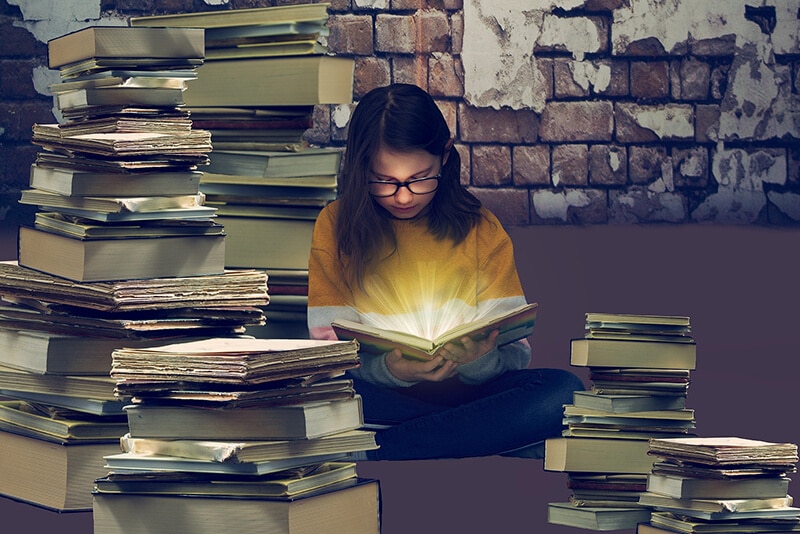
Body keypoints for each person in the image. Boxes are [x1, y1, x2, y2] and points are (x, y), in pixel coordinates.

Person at [307, 83, 584, 460]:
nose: (403, 196)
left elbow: (516, 352)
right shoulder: (335, 225)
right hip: (381, 396)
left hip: (473, 392)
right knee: (320, 394)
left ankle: (381, 448)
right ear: (360, 168)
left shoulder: (480, 228)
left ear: (445, 157)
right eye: (385, 181)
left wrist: (478, 361)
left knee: (564, 391)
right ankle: (486, 434)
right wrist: (392, 369)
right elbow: (329, 353)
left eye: (420, 178)